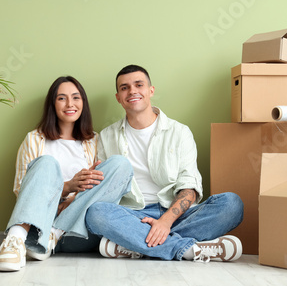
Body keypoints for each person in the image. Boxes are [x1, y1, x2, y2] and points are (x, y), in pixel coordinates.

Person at [85, 65, 244, 262]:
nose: (132, 91)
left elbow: (189, 188)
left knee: (231, 204)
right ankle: (186, 249)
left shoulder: (180, 132)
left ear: (151, 90)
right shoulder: (107, 136)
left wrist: (165, 222)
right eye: (124, 87)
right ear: (118, 97)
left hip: (174, 212)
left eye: (139, 85)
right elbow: (105, 187)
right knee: (96, 213)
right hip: (132, 214)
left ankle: (134, 244)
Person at [0, 76, 133, 272]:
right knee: (46, 163)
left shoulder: (94, 140)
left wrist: (73, 201)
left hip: (78, 232)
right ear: (53, 104)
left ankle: (55, 233)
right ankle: (14, 242)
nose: (70, 104)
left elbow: (101, 189)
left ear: (83, 103)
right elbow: (21, 190)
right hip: (38, 227)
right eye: (62, 98)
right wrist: (67, 187)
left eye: (76, 97)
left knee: (121, 164)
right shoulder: (35, 139)